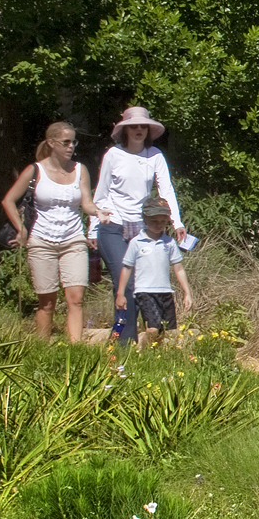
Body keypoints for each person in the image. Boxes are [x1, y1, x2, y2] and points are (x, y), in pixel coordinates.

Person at [1, 121, 96, 344]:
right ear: (52, 143)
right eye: (66, 142)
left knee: (76, 299)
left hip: (73, 240)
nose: (71, 146)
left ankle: (75, 349)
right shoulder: (35, 170)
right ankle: (43, 347)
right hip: (41, 240)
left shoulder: (80, 169)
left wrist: (98, 212)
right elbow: (8, 200)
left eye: (74, 141)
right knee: (47, 301)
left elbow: (87, 203)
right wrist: (21, 229)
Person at [91, 106, 181, 343]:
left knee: (143, 284)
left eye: (143, 126)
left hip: (142, 226)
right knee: (125, 280)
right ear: (125, 130)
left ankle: (129, 335)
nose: (139, 130)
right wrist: (93, 226)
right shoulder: (113, 155)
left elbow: (166, 191)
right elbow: (100, 194)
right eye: (134, 126)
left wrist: (176, 221)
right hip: (113, 224)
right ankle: (124, 342)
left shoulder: (155, 156)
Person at [118, 200, 192, 348]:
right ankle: (144, 351)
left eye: (162, 221)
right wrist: (120, 293)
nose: (158, 224)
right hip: (145, 291)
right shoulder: (136, 242)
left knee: (168, 330)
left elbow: (178, 267)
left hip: (165, 291)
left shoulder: (169, 242)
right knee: (153, 328)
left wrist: (187, 292)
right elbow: (127, 268)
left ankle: (158, 355)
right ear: (145, 219)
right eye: (154, 221)